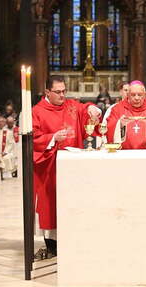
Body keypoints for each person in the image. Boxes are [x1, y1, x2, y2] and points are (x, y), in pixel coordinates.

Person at [32, 75, 101, 259]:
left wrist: (93, 109)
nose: (62, 95)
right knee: (51, 204)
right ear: (47, 92)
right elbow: (33, 139)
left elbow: (85, 109)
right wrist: (53, 138)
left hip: (73, 168)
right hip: (50, 168)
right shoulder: (37, 111)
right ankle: (52, 245)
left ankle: (74, 239)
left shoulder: (71, 105)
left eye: (64, 91)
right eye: (58, 92)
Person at [106, 80, 146, 149]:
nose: (136, 98)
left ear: (145, 95)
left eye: (140, 95)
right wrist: (120, 124)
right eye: (133, 95)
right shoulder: (117, 109)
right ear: (128, 95)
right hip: (124, 154)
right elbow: (109, 127)